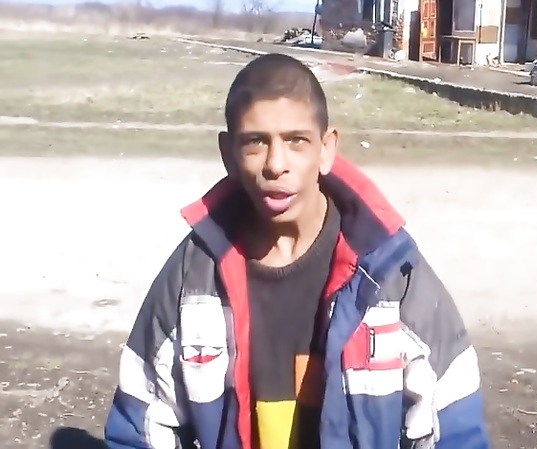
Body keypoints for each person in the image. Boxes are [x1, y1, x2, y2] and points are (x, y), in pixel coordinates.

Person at [104, 53, 489, 449]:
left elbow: (454, 426)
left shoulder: (388, 272)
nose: (276, 164)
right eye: (255, 142)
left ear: (326, 149)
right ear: (228, 154)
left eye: (296, 141)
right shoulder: (193, 276)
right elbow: (140, 429)